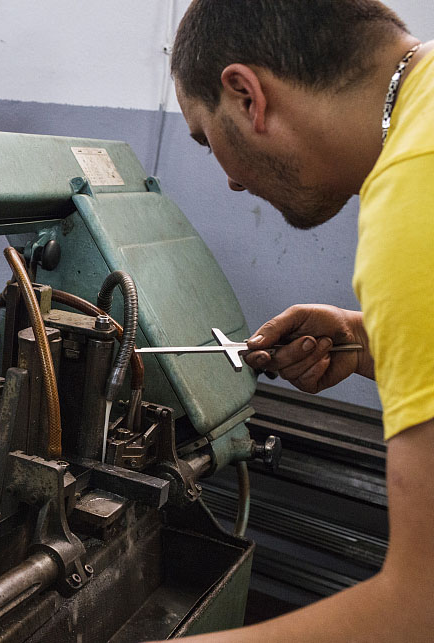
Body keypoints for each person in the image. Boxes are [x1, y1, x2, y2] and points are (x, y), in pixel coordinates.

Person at [167, 0, 434, 640]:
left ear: (246, 96)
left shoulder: (415, 198)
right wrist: (369, 341)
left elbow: (418, 610)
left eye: (206, 138)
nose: (231, 182)